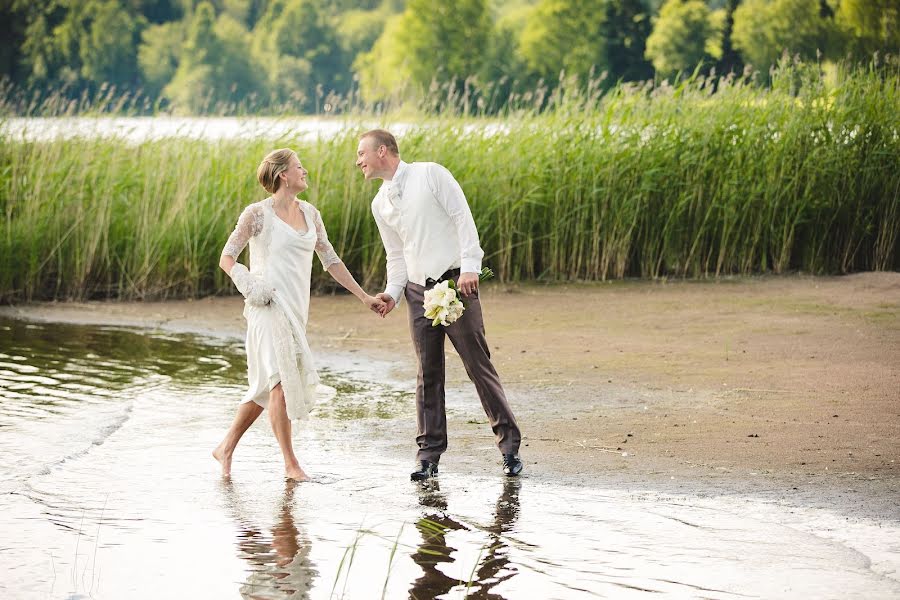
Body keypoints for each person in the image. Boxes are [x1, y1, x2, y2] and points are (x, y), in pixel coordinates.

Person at [355, 129, 523, 480]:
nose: (358, 161)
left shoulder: (431, 173)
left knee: (478, 366)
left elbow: (463, 218)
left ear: (382, 151)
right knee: (426, 374)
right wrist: (393, 293)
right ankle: (428, 456)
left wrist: (471, 268)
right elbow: (396, 255)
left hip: (456, 283)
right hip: (418, 294)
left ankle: (509, 449)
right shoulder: (379, 204)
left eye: (362, 153)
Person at [213, 148, 384, 481]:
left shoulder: (311, 213)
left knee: (266, 387)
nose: (305, 171)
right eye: (298, 167)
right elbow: (227, 258)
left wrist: (363, 297)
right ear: (283, 176)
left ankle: (226, 446)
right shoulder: (257, 214)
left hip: (296, 310)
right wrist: (250, 285)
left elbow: (331, 261)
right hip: (266, 306)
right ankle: (290, 464)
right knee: (279, 383)